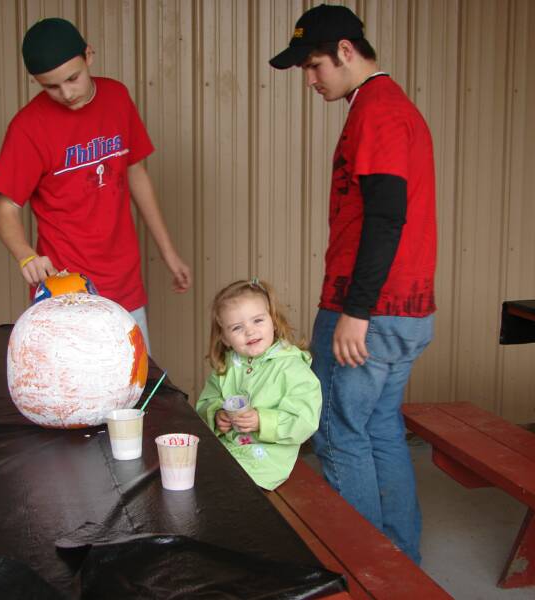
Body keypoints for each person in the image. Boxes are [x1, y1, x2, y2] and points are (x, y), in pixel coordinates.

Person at [269, 5, 437, 563]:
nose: (311, 81)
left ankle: (361, 570)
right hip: (403, 311)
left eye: (314, 66)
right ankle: (399, 565)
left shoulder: (379, 112)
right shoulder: (384, 107)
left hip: (371, 311)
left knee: (340, 432)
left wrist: (356, 311)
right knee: (381, 427)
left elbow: (388, 216)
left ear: (346, 51)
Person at [0, 17, 191, 349]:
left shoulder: (117, 98)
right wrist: (26, 255)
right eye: (50, 87)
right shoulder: (28, 127)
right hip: (65, 292)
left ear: (89, 55)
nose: (66, 93)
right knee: (73, 393)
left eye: (73, 78)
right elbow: (4, 211)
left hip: (124, 281)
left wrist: (168, 253)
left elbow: (136, 175)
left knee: (133, 387)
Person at [196, 279, 321, 490]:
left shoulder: (291, 368)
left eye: (258, 321)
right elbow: (206, 401)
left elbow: (305, 421)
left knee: (221, 490)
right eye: (237, 327)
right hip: (226, 449)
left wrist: (262, 421)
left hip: (265, 461)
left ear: (273, 321)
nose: (250, 332)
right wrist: (217, 415)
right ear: (225, 338)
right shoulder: (228, 366)